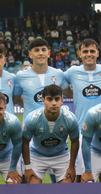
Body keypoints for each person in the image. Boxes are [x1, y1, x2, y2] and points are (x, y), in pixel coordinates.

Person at [14, 38, 70, 183]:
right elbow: (15, 98)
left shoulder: (59, 74)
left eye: (43, 50)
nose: (40, 53)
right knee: (30, 184)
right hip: (31, 135)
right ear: (30, 54)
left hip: (56, 133)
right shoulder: (21, 76)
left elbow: (69, 93)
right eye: (36, 50)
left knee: (60, 184)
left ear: (49, 53)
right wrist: (31, 109)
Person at [63, 38, 101, 181]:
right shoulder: (72, 72)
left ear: (97, 53)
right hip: (82, 130)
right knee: (81, 177)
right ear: (79, 54)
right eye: (85, 51)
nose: (89, 54)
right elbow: (61, 85)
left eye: (92, 51)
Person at [22, 84, 79, 184]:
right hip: (37, 156)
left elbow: (74, 141)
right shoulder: (32, 119)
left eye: (57, 99)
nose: (54, 103)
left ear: (62, 101)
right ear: (43, 101)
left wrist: (71, 166)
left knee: (67, 190)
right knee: (32, 189)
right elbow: (24, 142)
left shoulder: (70, 119)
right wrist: (27, 167)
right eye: (49, 99)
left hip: (61, 155)